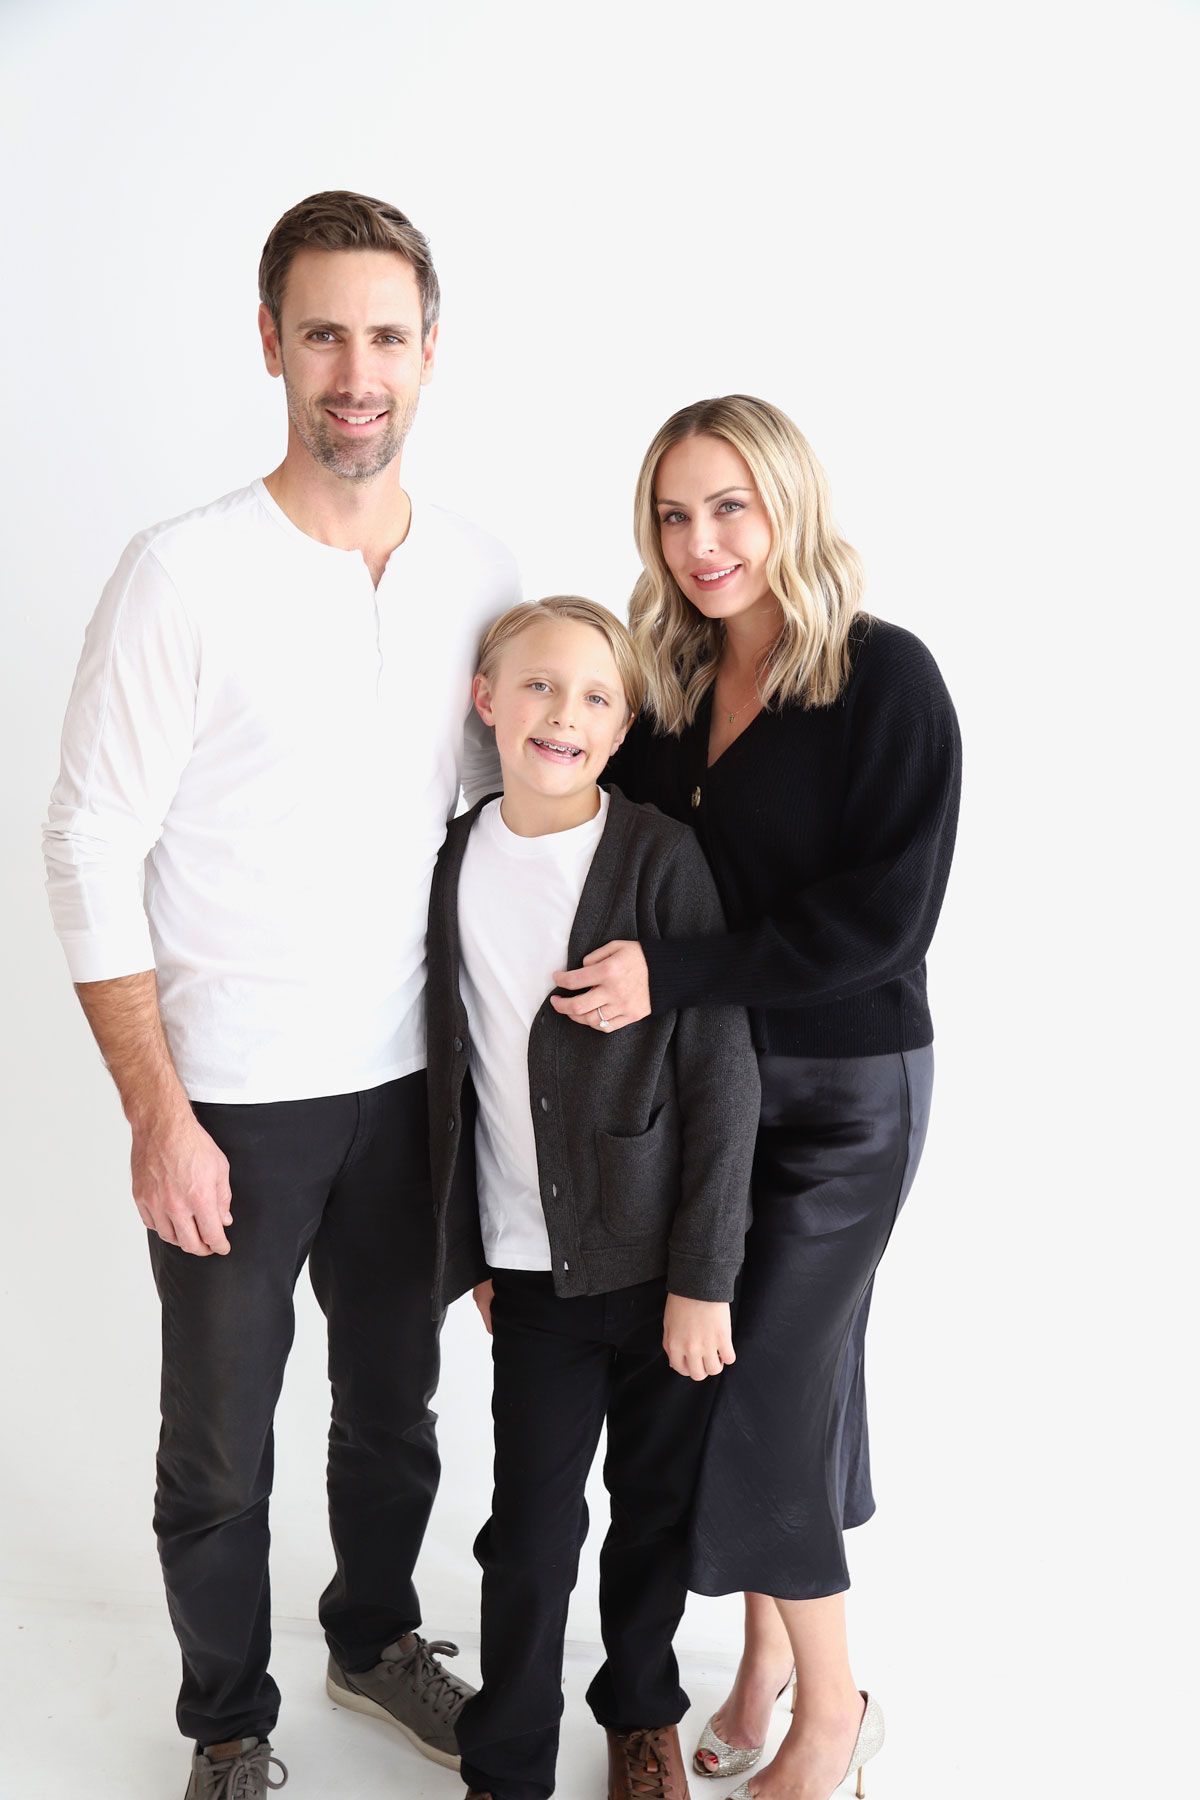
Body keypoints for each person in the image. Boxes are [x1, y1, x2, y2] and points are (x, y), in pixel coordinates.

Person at [42, 190, 520, 1800]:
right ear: (271, 344)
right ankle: (229, 1726)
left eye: (387, 335)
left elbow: (504, 836)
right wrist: (157, 1109)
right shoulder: (181, 573)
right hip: (234, 1095)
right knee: (219, 1455)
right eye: (323, 331)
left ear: (431, 354)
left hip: (412, 1092)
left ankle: (374, 1638)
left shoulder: (475, 574)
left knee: (397, 1412)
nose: (355, 368)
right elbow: (88, 840)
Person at [550, 397, 961, 1800]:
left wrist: (674, 974)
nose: (701, 541)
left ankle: (837, 1721)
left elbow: (885, 924)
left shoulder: (883, 679)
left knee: (770, 1389)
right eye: (673, 514)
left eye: (728, 506)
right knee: (772, 1385)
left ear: (787, 502)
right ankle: (765, 1667)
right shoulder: (661, 694)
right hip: (714, 1103)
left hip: (849, 1097)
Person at [423, 597, 762, 1800]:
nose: (563, 715)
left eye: (595, 698)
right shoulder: (452, 859)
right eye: (538, 688)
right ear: (487, 701)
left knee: (652, 1512)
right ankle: (506, 1758)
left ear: (624, 728)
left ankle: (639, 1715)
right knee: (530, 1532)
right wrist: (468, 1247)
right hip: (531, 1275)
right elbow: (447, 1071)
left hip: (662, 1273)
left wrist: (702, 1278)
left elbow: (721, 1077)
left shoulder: (657, 855)